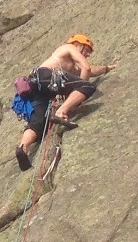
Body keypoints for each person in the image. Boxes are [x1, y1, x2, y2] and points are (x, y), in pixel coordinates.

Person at [15, 33, 111, 171]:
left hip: (38, 85)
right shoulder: (69, 47)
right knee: (87, 86)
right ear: (78, 44)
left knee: (38, 124)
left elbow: (92, 70)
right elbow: (86, 68)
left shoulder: (68, 63)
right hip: (47, 76)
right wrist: (78, 93)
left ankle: (22, 148)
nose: (87, 55)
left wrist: (107, 68)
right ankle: (61, 112)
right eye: (86, 50)